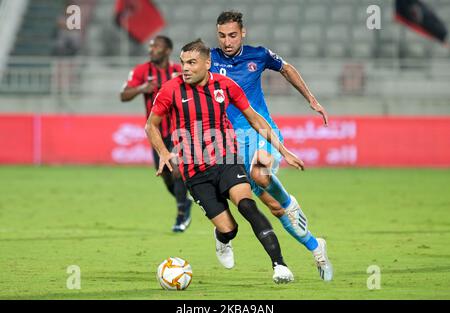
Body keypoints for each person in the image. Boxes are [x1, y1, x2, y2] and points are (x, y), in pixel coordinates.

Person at [146, 39, 305, 283]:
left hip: (227, 160)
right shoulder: (171, 89)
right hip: (194, 171)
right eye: (182, 63)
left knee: (248, 206)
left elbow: (255, 119)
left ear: (207, 63)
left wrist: (283, 150)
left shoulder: (225, 85)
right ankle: (222, 238)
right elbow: (151, 125)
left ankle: (280, 265)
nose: (185, 68)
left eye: (192, 62)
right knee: (230, 228)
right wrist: (164, 153)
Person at [209, 11, 333, 281]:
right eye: (222, 35)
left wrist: (311, 99)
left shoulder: (259, 55)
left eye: (232, 35)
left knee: (259, 173)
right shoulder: (210, 60)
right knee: (275, 209)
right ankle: (315, 246)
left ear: (243, 33)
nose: (227, 41)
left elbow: (286, 68)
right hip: (230, 144)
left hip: (261, 132)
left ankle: (290, 202)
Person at [120, 35, 192, 232]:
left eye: (157, 46)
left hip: (178, 131)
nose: (152, 49)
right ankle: (185, 203)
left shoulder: (178, 71)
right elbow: (123, 95)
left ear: (167, 50)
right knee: (167, 176)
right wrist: (142, 88)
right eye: (151, 46)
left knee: (177, 170)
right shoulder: (142, 71)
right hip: (157, 133)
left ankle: (180, 216)